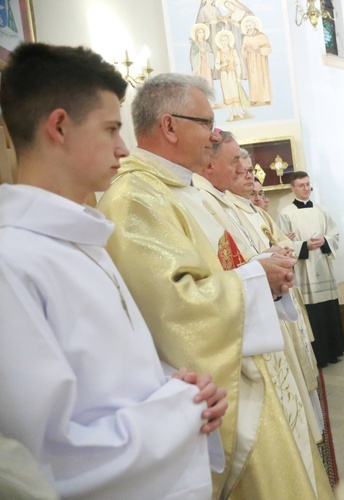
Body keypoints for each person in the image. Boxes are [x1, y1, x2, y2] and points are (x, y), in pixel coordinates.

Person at [0, 43, 228, 499]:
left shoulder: (80, 241)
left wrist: (171, 383)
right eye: (109, 129)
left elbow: (102, 382)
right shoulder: (14, 261)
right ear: (59, 126)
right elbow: (41, 457)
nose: (123, 148)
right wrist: (182, 411)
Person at [97, 73, 332, 499]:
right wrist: (257, 278)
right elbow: (173, 309)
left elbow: (222, 268)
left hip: (248, 366)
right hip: (230, 386)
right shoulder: (136, 197)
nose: (213, 136)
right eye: (205, 123)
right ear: (169, 126)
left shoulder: (184, 190)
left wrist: (257, 270)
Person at [192, 131, 330, 491]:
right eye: (237, 161)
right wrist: (264, 266)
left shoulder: (229, 204)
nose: (246, 171)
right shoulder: (207, 203)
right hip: (251, 330)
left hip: (269, 310)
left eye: (247, 164)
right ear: (209, 161)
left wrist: (274, 257)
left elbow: (263, 246)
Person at [278, 171, 344, 368]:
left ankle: (334, 350)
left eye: (308, 184)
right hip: (303, 270)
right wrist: (303, 246)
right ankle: (319, 355)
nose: (306, 188)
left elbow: (334, 234)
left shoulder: (321, 210)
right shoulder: (285, 213)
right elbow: (281, 242)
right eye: (301, 185)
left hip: (322, 266)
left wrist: (325, 240)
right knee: (311, 312)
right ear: (292, 188)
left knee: (327, 308)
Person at [241, 16, 272, 105]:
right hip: (251, 61)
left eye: (249, 25)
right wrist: (246, 50)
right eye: (246, 26)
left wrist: (259, 50)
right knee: (253, 79)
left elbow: (268, 47)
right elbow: (243, 49)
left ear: (254, 25)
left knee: (263, 78)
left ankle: (266, 97)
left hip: (261, 61)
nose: (248, 28)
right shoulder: (246, 37)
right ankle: (254, 98)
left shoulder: (262, 36)